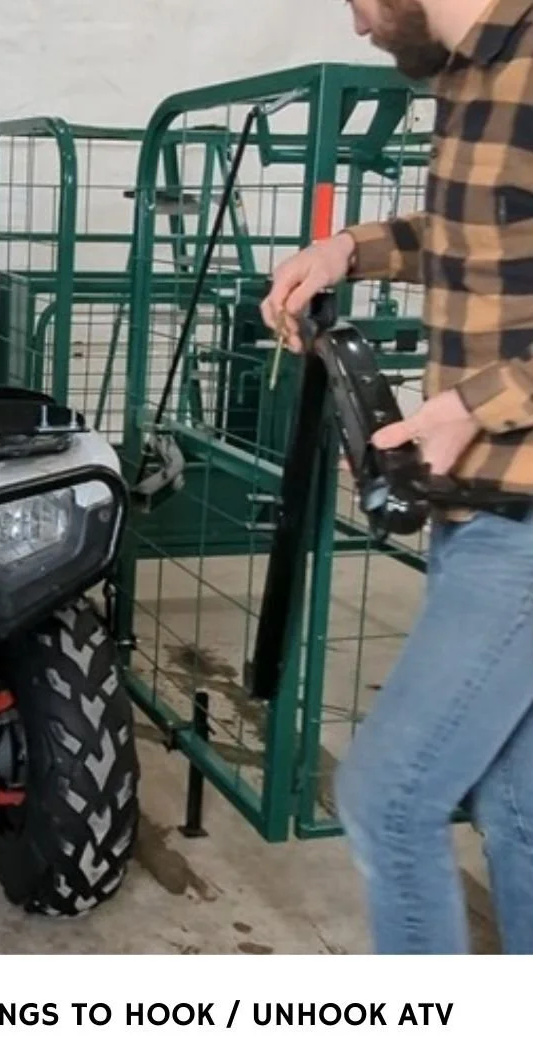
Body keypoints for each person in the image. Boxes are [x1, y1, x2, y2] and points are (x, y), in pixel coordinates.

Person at [261, 0, 533, 954]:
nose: (357, 22)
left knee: (387, 793)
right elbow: (473, 233)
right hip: (483, 506)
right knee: (516, 808)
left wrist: (475, 404)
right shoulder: (468, 75)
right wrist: (349, 248)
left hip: (526, 522)